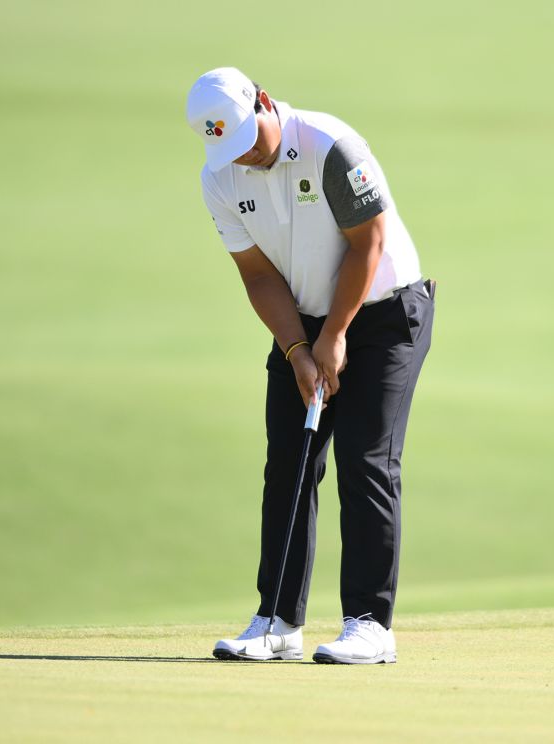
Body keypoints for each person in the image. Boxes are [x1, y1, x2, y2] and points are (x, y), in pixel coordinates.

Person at [185, 67, 434, 664]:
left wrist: (337, 334)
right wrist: (298, 348)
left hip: (384, 312)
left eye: (250, 136)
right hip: (303, 321)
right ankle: (277, 621)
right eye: (230, 146)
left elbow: (367, 243)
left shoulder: (330, 146)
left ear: (265, 102)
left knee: (364, 460)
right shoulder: (219, 176)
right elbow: (257, 274)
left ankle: (371, 624)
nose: (245, 153)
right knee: (290, 463)